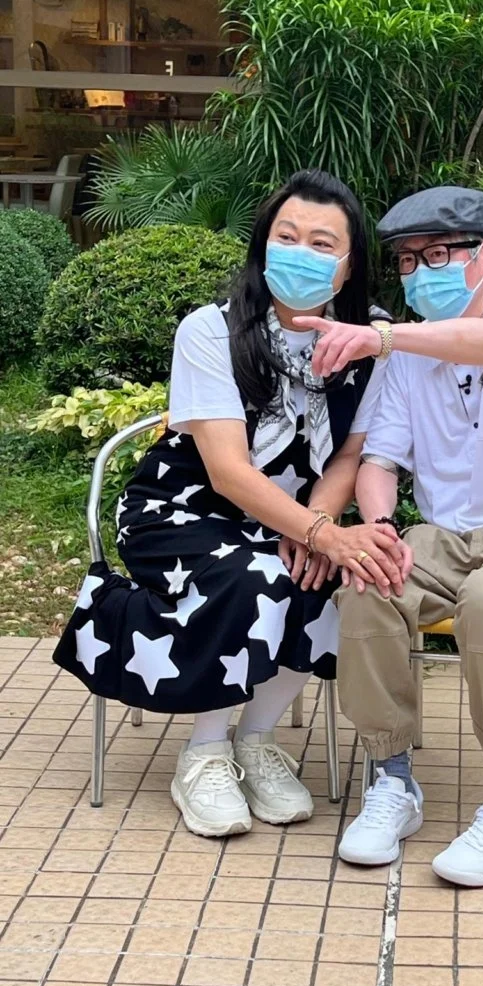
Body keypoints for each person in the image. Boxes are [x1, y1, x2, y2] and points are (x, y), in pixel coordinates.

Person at [54, 169, 407, 839]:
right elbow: (227, 470)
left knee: (336, 581)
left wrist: (320, 529)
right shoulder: (211, 330)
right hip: (182, 510)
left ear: (349, 265)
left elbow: (349, 456)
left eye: (322, 244)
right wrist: (320, 533)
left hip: (295, 515)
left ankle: (257, 739)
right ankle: (205, 752)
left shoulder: (370, 342)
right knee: (258, 576)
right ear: (263, 244)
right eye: (286, 237)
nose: (300, 253)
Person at [294, 185, 483, 887]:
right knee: (368, 583)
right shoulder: (406, 357)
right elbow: (379, 461)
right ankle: (393, 780)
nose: (418, 272)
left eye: (436, 255)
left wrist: (384, 337)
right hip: (446, 539)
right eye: (407, 262)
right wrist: (377, 528)